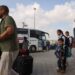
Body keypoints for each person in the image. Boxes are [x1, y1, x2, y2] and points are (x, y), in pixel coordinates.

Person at [0, 5, 19, 75]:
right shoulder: (3, 20)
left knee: (3, 72)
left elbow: (9, 31)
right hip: (7, 50)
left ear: (3, 11)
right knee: (7, 69)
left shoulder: (8, 18)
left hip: (9, 49)